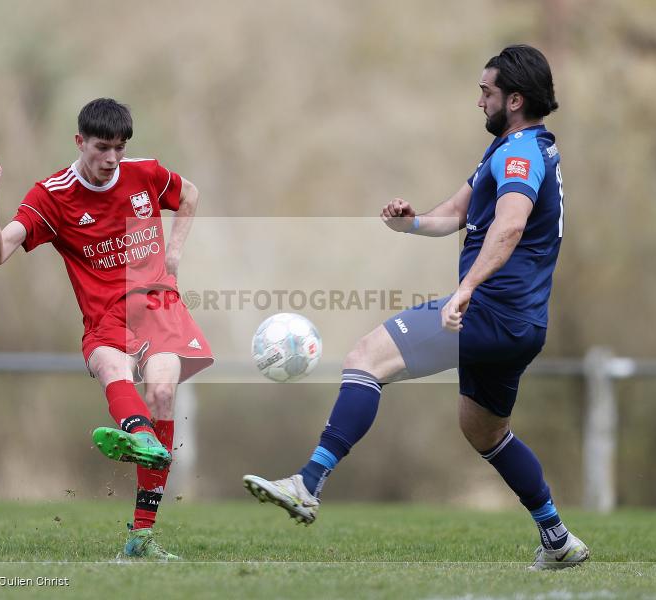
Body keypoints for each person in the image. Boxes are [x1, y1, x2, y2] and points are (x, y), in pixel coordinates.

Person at [244, 45, 588, 570]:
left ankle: (307, 483)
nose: (479, 101)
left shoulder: (518, 154)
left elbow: (511, 223)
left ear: (514, 99)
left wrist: (466, 288)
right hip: (521, 321)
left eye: (487, 91)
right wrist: (411, 222)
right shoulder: (520, 147)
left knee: (365, 358)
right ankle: (558, 538)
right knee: (485, 432)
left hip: (491, 310)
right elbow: (454, 211)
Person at [0, 98, 212, 560]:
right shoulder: (52, 196)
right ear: (79, 141)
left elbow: (191, 194)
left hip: (158, 308)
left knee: (162, 392)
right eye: (102, 147)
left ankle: (141, 534)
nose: (112, 159)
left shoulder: (146, 173)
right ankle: (141, 436)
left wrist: (175, 250)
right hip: (104, 320)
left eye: (120, 148)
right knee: (108, 364)